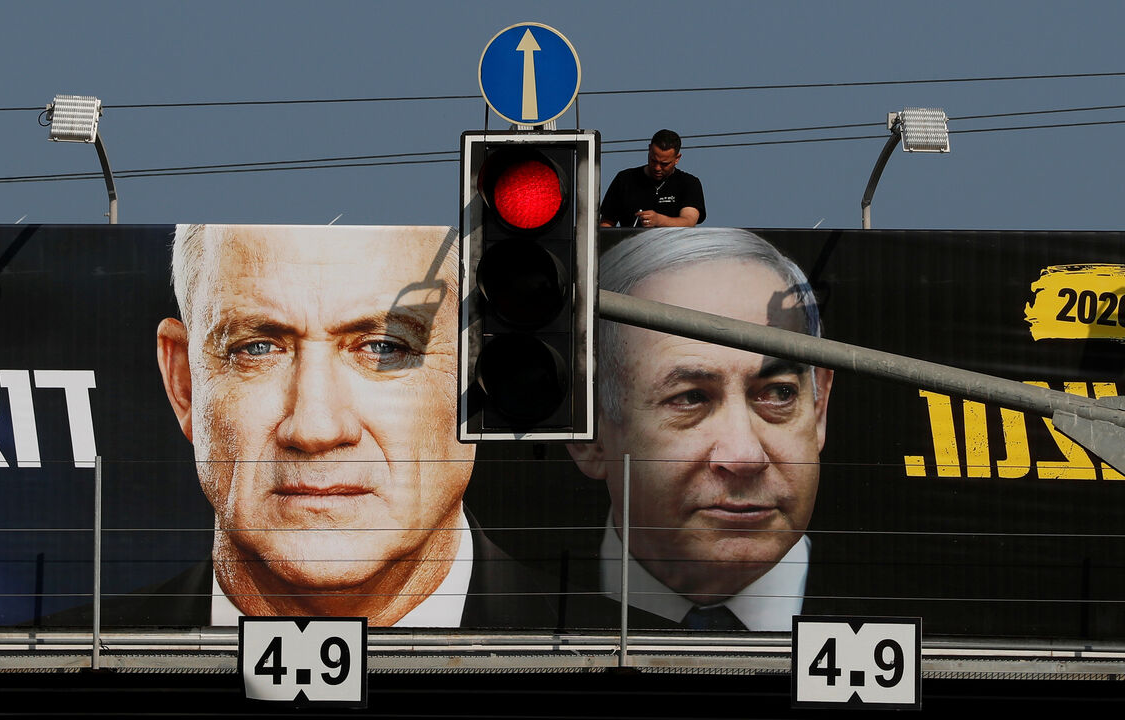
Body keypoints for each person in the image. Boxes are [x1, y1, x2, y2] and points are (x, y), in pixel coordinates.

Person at [151, 223, 557, 628]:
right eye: (257, 349)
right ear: (184, 383)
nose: (315, 429)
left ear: (485, 375)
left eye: (384, 348)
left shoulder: (614, 666)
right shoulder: (90, 667)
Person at [567, 227, 834, 631]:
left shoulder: (940, 613)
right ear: (591, 431)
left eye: (778, 393)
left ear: (818, 407)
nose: (744, 456)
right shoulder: (514, 598)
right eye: (691, 398)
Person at [599, 129, 706, 229]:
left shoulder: (689, 183)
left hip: (672, 248)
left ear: (677, 158)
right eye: (653, 160)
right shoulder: (625, 179)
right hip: (630, 247)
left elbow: (689, 221)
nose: (657, 168)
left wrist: (659, 220)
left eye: (664, 164)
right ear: (649, 149)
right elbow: (606, 223)